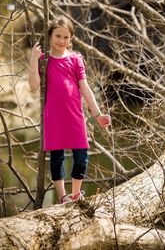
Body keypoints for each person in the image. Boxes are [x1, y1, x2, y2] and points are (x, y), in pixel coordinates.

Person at [28, 17, 111, 204]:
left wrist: (97, 114)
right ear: (50, 36)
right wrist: (34, 59)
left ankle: (75, 194)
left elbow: (85, 88)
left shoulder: (75, 59)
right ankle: (62, 197)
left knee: (81, 157)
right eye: (58, 36)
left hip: (75, 116)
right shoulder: (44, 59)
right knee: (57, 159)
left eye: (66, 37)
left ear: (71, 38)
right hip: (54, 117)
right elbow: (34, 85)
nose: (62, 40)